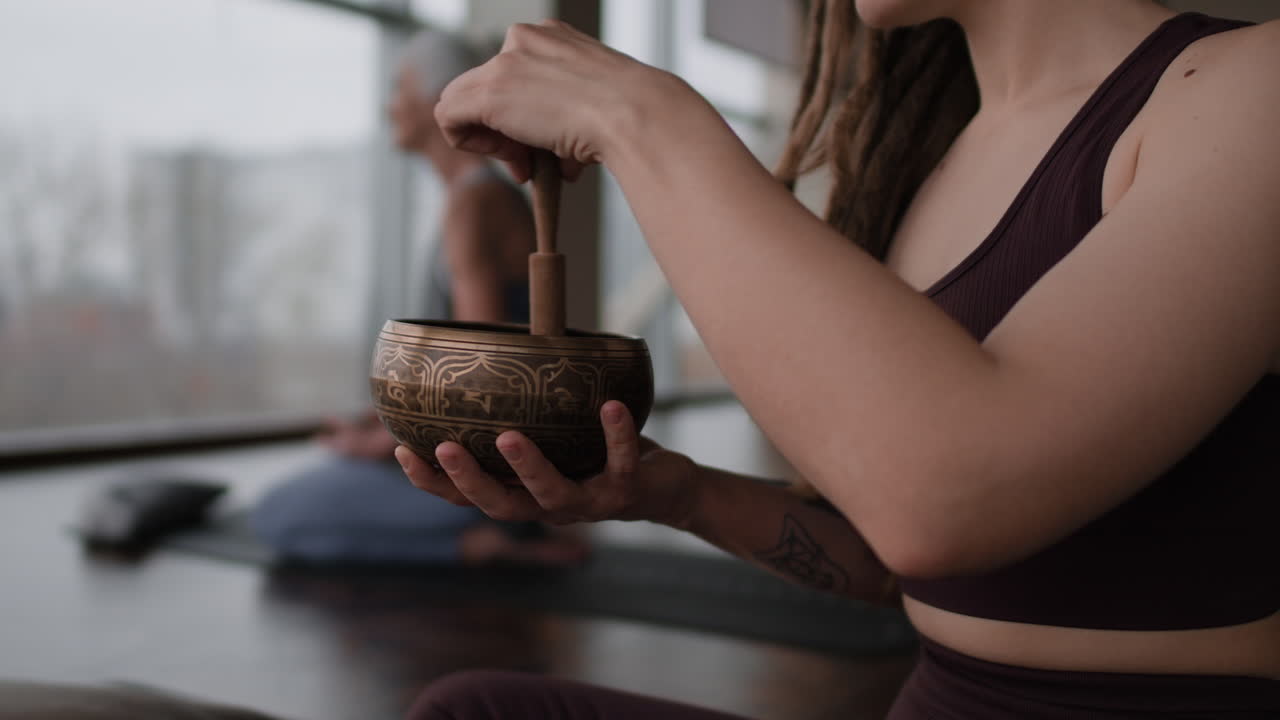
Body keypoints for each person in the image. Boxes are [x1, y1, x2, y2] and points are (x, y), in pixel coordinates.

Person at [394, 1, 1280, 717]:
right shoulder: (939, 157)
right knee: (474, 707)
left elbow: (945, 503)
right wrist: (675, 492)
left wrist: (638, 116)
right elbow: (902, 564)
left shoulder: (1252, 85)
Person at [252, 28, 585, 568]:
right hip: (491, 465)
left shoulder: (473, 205)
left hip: (482, 482)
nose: (389, 106)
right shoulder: (481, 196)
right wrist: (381, 423)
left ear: (438, 99)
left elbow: (479, 382)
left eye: (398, 88)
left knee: (278, 513)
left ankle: (486, 543)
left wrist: (378, 446)